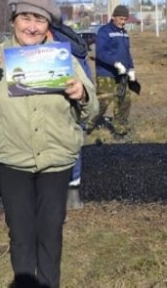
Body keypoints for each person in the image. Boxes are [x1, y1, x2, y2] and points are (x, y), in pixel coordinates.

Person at [0, 0, 99, 288]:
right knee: (20, 234)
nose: (32, 26)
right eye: (26, 18)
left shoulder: (63, 58)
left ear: (49, 26)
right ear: (13, 19)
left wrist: (81, 94)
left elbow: (92, 110)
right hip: (12, 160)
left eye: (40, 21)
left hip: (56, 159)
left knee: (50, 232)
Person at [49, 21, 94, 211]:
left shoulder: (51, 43)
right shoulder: (72, 38)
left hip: (65, 96)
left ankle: (61, 193)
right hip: (79, 92)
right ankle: (73, 194)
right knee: (74, 141)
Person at [88, 4, 136, 140]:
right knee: (103, 103)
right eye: (121, 19)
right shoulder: (105, 31)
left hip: (122, 75)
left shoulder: (124, 33)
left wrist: (131, 69)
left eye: (125, 19)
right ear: (113, 17)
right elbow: (101, 53)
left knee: (124, 101)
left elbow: (127, 53)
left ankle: (120, 130)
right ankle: (86, 126)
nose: (123, 22)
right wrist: (115, 63)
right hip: (106, 74)